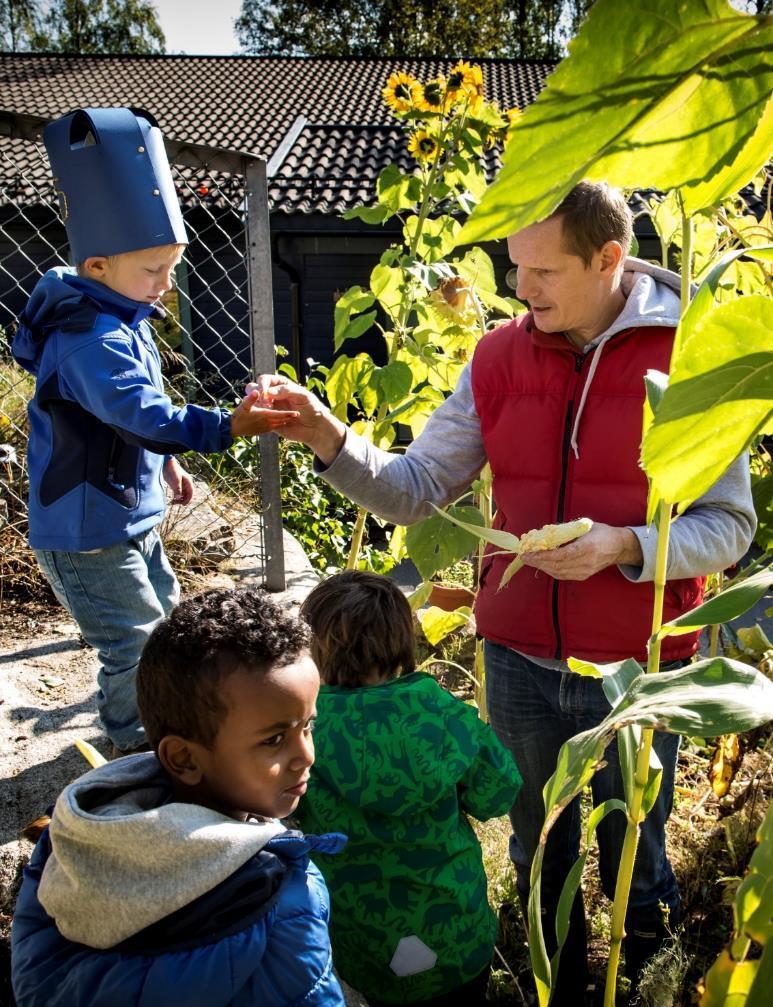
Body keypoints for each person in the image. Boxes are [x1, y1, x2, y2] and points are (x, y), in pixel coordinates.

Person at [248, 181, 757, 1002]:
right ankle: (552, 974)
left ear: (608, 259)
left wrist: (621, 547)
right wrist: (328, 436)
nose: (520, 289)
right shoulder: (497, 357)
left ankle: (647, 979)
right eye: (514, 266)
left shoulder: (692, 357)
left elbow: (727, 527)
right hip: (517, 658)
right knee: (536, 838)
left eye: (543, 271)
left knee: (640, 841)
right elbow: (415, 488)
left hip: (643, 662)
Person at [11, 107, 297, 756]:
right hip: (87, 533)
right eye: (152, 271)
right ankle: (134, 754)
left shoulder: (124, 311)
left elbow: (134, 414)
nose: (165, 285)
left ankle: (158, 727)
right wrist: (227, 426)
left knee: (166, 626)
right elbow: (143, 413)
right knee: (135, 644)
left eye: (172, 266)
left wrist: (164, 466)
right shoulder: (89, 337)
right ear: (97, 266)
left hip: (126, 515)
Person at [11, 588, 346, 1007]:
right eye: (275, 739)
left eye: (307, 727)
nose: (305, 756)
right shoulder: (285, 901)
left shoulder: (68, 839)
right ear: (183, 757)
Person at [294, 571, 521, 1006]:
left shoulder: (303, 726)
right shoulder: (439, 712)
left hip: (363, 936)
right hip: (454, 928)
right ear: (402, 639)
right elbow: (498, 792)